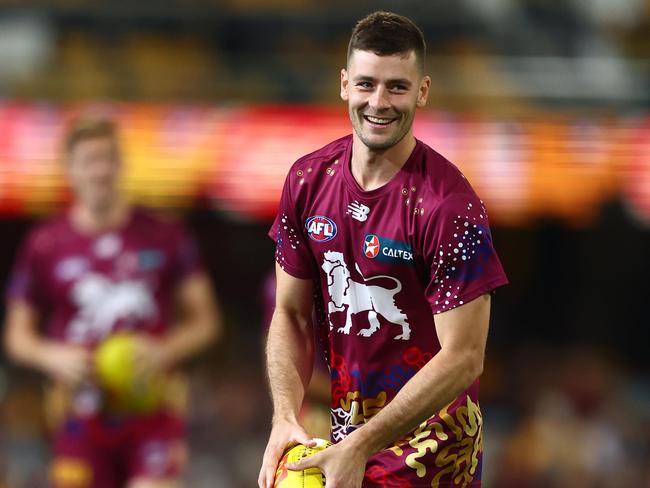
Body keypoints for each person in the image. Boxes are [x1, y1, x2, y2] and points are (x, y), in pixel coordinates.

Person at [259, 11, 508, 488]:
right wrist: (284, 418)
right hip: (348, 439)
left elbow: (464, 356)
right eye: (367, 84)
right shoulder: (307, 180)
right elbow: (290, 314)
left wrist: (360, 444)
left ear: (423, 91)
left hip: (436, 451)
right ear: (344, 85)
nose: (379, 102)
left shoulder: (450, 206)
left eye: (397, 86)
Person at [4, 116, 221, 488]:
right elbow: (16, 337)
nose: (99, 171)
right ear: (69, 170)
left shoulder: (166, 233)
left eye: (107, 159)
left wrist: (164, 350)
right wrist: (52, 356)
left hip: (152, 408)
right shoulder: (44, 243)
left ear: (120, 164)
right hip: (78, 414)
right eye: (89, 161)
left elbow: (206, 322)